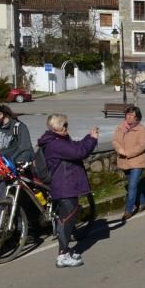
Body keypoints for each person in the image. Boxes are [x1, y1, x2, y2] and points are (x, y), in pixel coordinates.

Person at [38, 114, 98, 268]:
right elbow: (79, 153)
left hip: (67, 186)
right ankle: (62, 256)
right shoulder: (55, 144)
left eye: (66, 124)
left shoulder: (59, 140)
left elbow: (76, 147)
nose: (66, 127)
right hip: (64, 187)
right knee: (66, 222)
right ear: (55, 127)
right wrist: (92, 140)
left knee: (67, 220)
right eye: (63, 125)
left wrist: (88, 137)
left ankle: (65, 251)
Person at [0, 102, 33, 255]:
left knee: (0, 208)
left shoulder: (18, 127)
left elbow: (27, 149)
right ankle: (19, 232)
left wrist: (18, 164)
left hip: (9, 173)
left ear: (1, 115)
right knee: (7, 205)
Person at [112, 105, 145, 220]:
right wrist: (120, 150)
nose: (128, 117)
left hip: (136, 162)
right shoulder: (121, 127)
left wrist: (127, 153)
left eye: (131, 115)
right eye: (127, 114)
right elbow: (115, 140)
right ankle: (143, 202)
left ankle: (128, 210)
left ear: (137, 117)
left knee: (132, 186)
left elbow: (142, 146)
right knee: (135, 184)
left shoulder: (142, 129)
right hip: (124, 162)